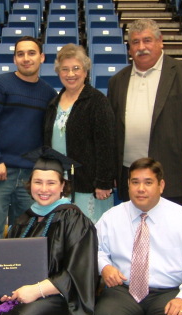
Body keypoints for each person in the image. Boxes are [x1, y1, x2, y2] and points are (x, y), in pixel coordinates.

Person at [0, 146, 97, 315]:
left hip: (60, 299)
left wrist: (37, 290)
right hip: (23, 295)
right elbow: (8, 266)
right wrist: (3, 288)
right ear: (30, 184)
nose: (43, 189)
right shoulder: (23, 221)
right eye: (38, 182)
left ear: (62, 186)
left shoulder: (75, 220)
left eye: (51, 183)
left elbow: (78, 273)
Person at [93, 157, 182, 315]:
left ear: (161, 185)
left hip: (169, 293)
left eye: (148, 182)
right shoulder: (111, 217)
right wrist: (105, 266)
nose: (141, 189)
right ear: (128, 185)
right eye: (135, 182)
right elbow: (94, 249)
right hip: (124, 292)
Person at [108, 19, 182, 209]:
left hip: (173, 171)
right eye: (135, 42)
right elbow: (112, 130)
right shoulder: (117, 81)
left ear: (160, 41)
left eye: (147, 40)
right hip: (130, 173)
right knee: (133, 231)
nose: (141, 47)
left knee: (171, 233)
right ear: (129, 48)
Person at [0, 36, 57, 239]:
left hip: (30, 176)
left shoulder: (48, 93)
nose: (25, 58)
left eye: (31, 53)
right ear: (14, 59)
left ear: (42, 57)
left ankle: (18, 271)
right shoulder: (0, 84)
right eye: (20, 54)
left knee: (26, 232)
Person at [44, 43, 116, 224]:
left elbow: (106, 143)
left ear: (85, 70)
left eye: (76, 68)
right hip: (60, 182)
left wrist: (103, 182)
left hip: (89, 184)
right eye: (65, 69)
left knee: (89, 234)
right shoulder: (54, 102)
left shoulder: (97, 101)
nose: (70, 74)